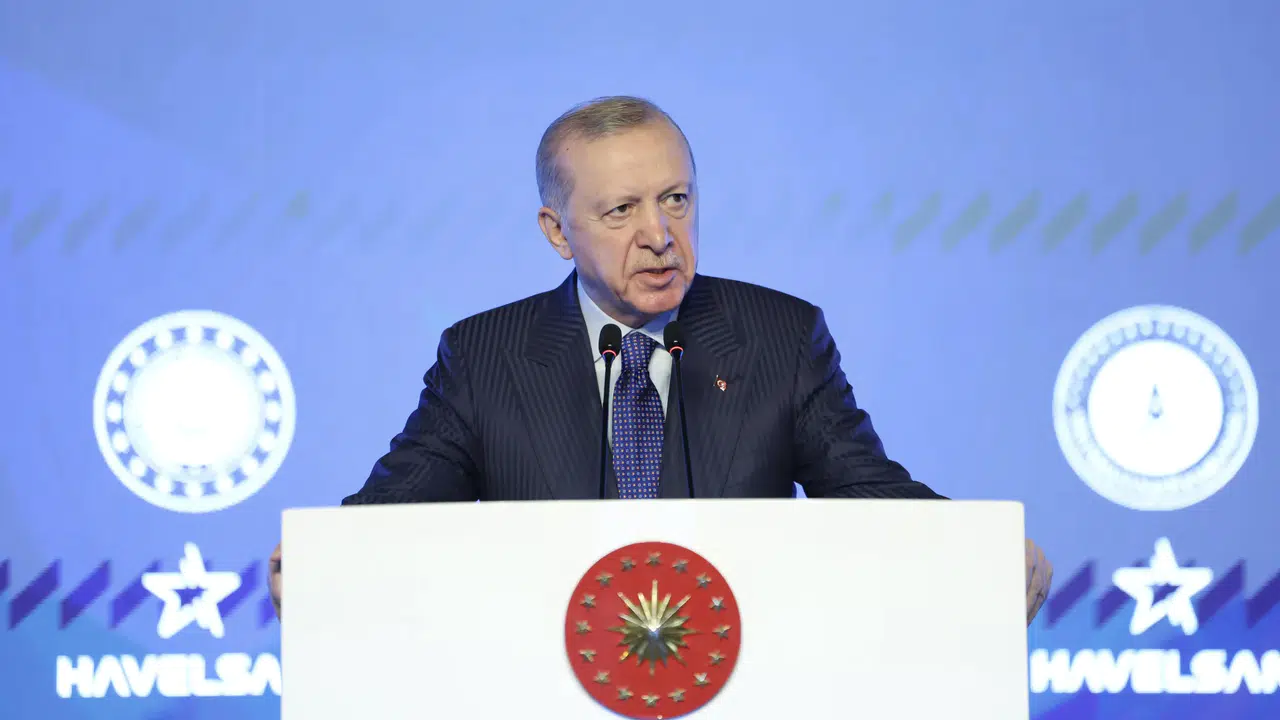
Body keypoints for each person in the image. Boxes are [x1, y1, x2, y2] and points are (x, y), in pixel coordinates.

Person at [268, 95, 1052, 624]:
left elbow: (868, 491)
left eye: (676, 198)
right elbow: (398, 507)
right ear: (556, 231)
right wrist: (320, 561)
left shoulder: (779, 336)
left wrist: (975, 551)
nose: (659, 234)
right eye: (621, 209)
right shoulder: (485, 357)